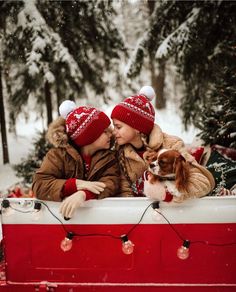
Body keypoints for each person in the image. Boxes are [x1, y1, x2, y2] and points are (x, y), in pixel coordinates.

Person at [111, 86, 215, 202]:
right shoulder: (120, 152)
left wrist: (170, 194)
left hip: (171, 213)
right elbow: (125, 192)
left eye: (118, 127)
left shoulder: (172, 145)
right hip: (141, 214)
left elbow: (202, 181)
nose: (113, 132)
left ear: (137, 128)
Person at [32, 101, 120, 218]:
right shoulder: (58, 156)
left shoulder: (108, 158)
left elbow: (111, 183)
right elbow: (40, 184)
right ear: (88, 137)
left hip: (97, 219)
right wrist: (75, 185)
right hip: (63, 220)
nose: (111, 134)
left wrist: (83, 194)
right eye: (104, 132)